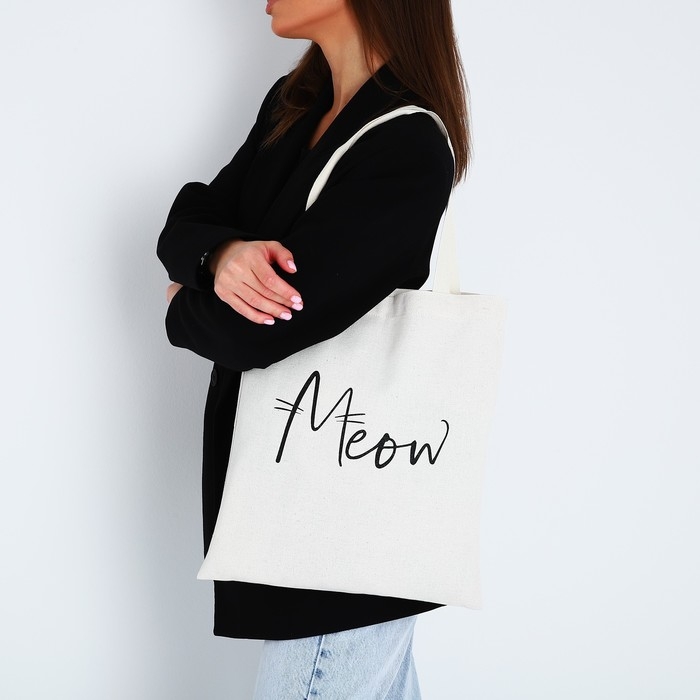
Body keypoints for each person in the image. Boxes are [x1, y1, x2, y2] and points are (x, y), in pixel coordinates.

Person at [157, 0, 471, 697]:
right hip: (322, 543)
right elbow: (189, 218)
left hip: (343, 550)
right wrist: (222, 255)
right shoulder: (294, 106)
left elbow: (254, 330)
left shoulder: (406, 145)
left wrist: (183, 303)